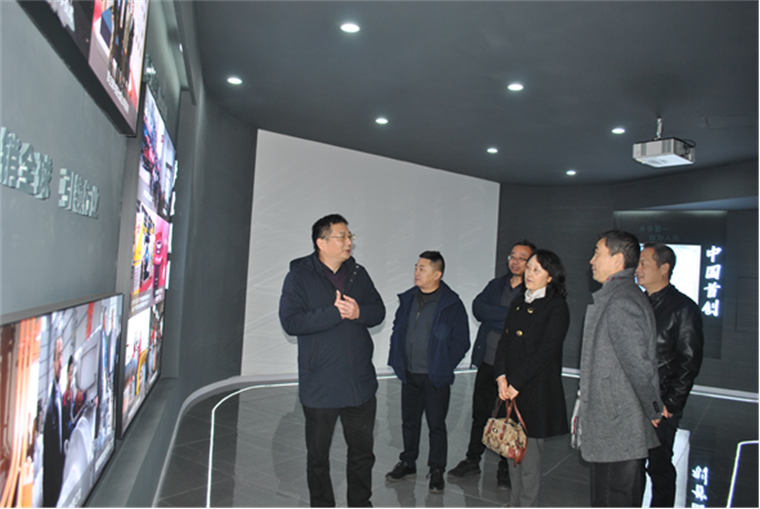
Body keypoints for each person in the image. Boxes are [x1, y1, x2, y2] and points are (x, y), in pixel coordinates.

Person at [279, 214, 385, 508]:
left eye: (350, 236)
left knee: (362, 454)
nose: (349, 241)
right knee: (318, 459)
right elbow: (291, 322)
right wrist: (334, 313)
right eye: (342, 236)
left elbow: (378, 311)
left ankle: (360, 504)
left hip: (360, 385)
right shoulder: (299, 277)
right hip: (321, 387)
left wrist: (359, 312)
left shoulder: (358, 274)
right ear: (321, 243)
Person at [579, 230, 663, 508]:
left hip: (617, 423)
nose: (592, 261)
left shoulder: (621, 302)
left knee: (613, 497)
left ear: (617, 260)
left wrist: (654, 408)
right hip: (616, 420)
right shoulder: (619, 295)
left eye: (597, 253)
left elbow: (640, 365)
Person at [448, 240, 536, 489]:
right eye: (512, 256)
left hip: (513, 367)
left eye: (522, 258)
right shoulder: (496, 285)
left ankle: (505, 468)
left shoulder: (532, 291)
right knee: (480, 413)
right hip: (488, 360)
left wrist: (496, 316)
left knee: (507, 418)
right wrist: (510, 317)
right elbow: (479, 309)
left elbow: (525, 321)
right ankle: (472, 459)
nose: (515, 262)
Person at [386, 251, 470, 493]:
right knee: (409, 421)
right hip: (410, 373)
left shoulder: (451, 304)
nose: (416, 272)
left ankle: (436, 469)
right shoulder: (408, 299)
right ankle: (408, 462)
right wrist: (397, 357)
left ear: (437, 274)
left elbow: (461, 341)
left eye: (422, 269)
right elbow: (397, 329)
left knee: (436, 424)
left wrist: (443, 365)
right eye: (416, 267)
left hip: (434, 377)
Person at [493, 249, 570, 507]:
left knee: (529, 460)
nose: (529, 273)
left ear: (550, 276)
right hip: (510, 389)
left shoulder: (556, 306)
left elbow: (547, 351)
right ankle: (514, 502)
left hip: (535, 391)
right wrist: (501, 377)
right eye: (529, 268)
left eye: (537, 270)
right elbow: (504, 341)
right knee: (511, 453)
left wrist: (517, 382)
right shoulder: (518, 301)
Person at [636, 242, 704, 507]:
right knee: (631, 468)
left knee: (659, 466)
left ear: (664, 268)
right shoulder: (637, 302)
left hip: (661, 402)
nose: (638, 269)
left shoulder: (683, 308)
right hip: (634, 399)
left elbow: (688, 362)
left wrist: (670, 404)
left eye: (644, 263)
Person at [43, 337, 65, 508]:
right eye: (58, 356)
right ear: (52, 364)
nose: (61, 362)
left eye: (62, 355)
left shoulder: (59, 395)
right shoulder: (50, 408)